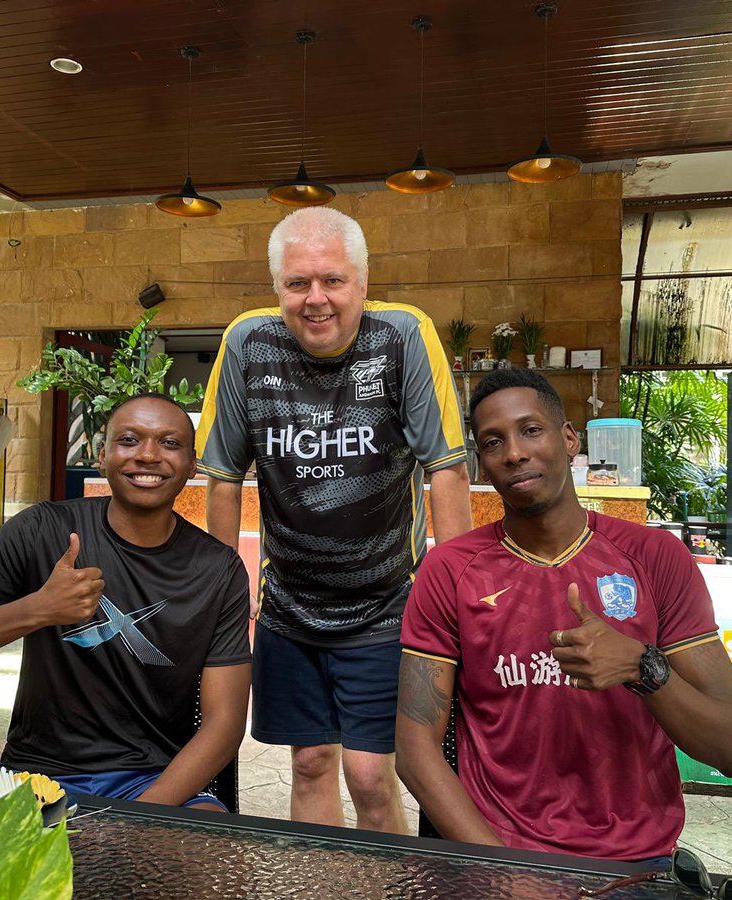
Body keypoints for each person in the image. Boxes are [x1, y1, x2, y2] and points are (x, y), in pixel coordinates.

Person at [395, 368, 732, 859]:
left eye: (531, 430)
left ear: (569, 440)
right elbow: (415, 752)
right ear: (481, 464)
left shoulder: (654, 557)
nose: (515, 452)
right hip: (502, 852)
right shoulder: (449, 571)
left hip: (634, 861)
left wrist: (642, 668)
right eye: (493, 442)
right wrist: (504, 870)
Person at [197, 206, 472, 833]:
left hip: (386, 608)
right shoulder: (247, 342)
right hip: (289, 609)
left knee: (374, 776)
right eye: (298, 283)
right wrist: (221, 594)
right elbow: (221, 477)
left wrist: (458, 600)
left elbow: (446, 470)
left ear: (363, 282)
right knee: (312, 762)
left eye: (332, 281)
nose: (315, 299)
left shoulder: (402, 337)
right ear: (278, 288)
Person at [0, 394, 251, 811]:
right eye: (129, 440)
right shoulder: (41, 530)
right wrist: (38, 609)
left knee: (204, 860)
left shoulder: (218, 569)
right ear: (102, 456)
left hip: (153, 779)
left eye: (169, 444)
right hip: (37, 776)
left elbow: (224, 725)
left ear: (192, 465)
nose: (148, 455)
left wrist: (138, 818)